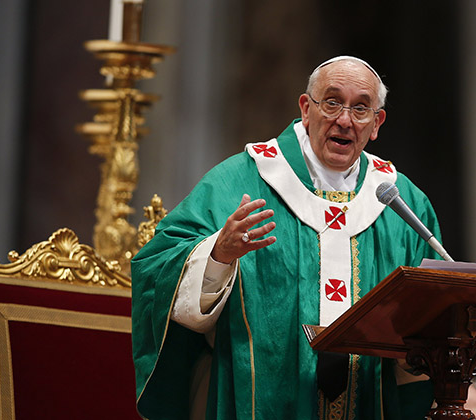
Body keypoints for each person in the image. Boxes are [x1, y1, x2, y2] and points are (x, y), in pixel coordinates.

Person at [132, 56, 446, 420]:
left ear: (376, 124)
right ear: (306, 109)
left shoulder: (402, 201)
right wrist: (218, 254)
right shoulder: (241, 182)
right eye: (331, 102)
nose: (344, 120)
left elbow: (433, 313)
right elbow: (155, 267)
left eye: (361, 109)